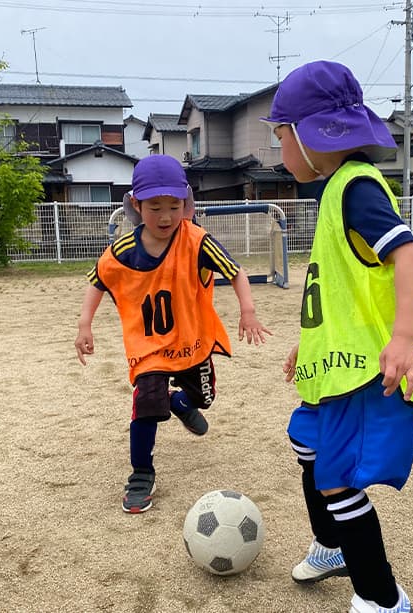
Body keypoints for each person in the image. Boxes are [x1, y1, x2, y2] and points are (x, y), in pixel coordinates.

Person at [262, 61, 413, 613]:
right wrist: (306, 340)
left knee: (337, 482)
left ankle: (382, 599)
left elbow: (407, 255)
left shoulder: (356, 187)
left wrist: (404, 337)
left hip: (368, 369)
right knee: (305, 441)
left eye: (279, 134)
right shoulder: (334, 189)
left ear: (311, 134)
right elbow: (341, 287)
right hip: (334, 362)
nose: (279, 148)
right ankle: (333, 546)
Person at [74, 154, 271, 514]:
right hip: (148, 348)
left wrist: (248, 311)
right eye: (154, 207)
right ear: (136, 205)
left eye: (174, 206)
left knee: (204, 400)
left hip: (192, 343)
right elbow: (97, 279)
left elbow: (236, 272)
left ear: (186, 204)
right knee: (146, 405)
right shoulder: (123, 250)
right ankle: (141, 474)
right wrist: (84, 324)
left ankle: (179, 402)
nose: (165, 217)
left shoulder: (197, 241)